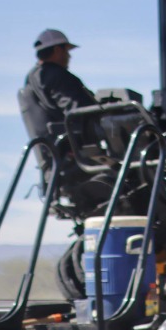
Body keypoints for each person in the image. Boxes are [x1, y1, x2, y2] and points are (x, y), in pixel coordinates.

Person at [17, 29, 113, 212]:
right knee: (134, 174)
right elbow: (79, 111)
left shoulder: (32, 80)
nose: (68, 56)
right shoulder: (57, 76)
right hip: (73, 156)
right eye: (66, 51)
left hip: (56, 161)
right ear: (57, 50)